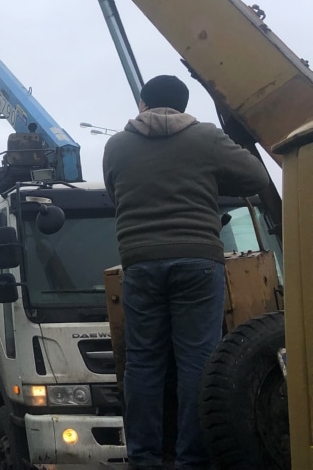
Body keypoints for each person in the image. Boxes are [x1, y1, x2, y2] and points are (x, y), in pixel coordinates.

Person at [101, 74, 270, 470]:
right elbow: (257, 178)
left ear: (143, 104)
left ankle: (143, 457)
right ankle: (192, 458)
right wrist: (209, 179)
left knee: (143, 362)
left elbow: (115, 194)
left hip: (140, 261)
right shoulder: (205, 137)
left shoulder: (117, 146)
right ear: (184, 105)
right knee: (199, 360)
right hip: (198, 259)